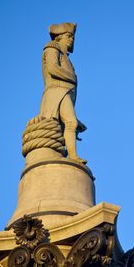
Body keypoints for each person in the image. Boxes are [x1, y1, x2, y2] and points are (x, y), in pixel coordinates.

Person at [39, 22, 86, 164]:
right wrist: (72, 78)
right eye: (68, 36)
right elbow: (53, 68)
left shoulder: (66, 58)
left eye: (72, 37)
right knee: (71, 122)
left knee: (67, 126)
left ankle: (70, 155)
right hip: (58, 92)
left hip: (64, 93)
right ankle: (73, 156)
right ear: (59, 37)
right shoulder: (52, 48)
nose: (71, 39)